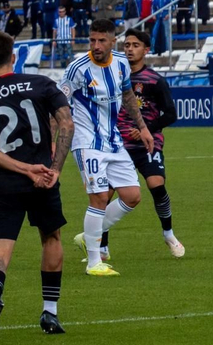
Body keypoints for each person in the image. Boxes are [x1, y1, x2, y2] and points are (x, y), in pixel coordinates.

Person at [0, 29, 74, 343]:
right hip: (43, 179)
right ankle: (49, 311)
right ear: (14, 56)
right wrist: (53, 169)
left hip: (2, 182)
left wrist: (23, 169)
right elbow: (66, 122)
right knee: (51, 238)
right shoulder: (41, 84)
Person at [61, 21, 154, 277]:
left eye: (102, 41)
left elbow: (127, 96)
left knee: (132, 196)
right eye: (92, 40)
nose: (96, 46)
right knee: (100, 198)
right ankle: (94, 262)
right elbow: (58, 105)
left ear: (113, 41)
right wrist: (52, 143)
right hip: (87, 142)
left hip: (113, 141)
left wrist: (143, 128)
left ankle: (88, 235)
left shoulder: (122, 63)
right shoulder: (77, 69)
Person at [95, 28, 185, 262]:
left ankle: (169, 234)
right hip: (116, 145)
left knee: (156, 185)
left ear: (146, 50)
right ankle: (102, 248)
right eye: (127, 45)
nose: (130, 49)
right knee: (104, 195)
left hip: (147, 144)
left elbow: (171, 114)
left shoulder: (155, 80)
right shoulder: (113, 76)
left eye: (135, 45)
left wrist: (147, 128)